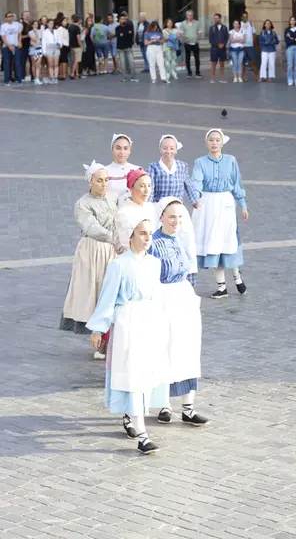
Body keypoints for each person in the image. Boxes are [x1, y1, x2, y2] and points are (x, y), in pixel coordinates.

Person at [87, 210, 169, 454]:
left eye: (150, 234)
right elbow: (108, 299)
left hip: (148, 322)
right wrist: (99, 329)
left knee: (144, 374)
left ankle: (133, 418)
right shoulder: (119, 265)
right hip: (127, 323)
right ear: (131, 236)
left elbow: (157, 296)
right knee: (131, 374)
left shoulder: (155, 264)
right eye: (142, 233)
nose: (147, 238)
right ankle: (142, 433)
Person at [150, 197, 209, 428]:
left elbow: (187, 270)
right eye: (171, 216)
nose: (175, 221)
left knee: (187, 350)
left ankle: (188, 406)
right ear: (161, 216)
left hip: (183, 298)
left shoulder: (180, 239)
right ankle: (164, 403)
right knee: (165, 350)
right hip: (163, 299)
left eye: (179, 217)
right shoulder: (153, 243)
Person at [59, 161, 117, 360]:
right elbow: (92, 227)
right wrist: (113, 237)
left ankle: (111, 338)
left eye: (106, 180)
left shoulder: (114, 198)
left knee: (110, 292)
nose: (103, 184)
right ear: (90, 182)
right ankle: (99, 340)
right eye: (99, 180)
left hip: (113, 249)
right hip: (93, 249)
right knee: (93, 292)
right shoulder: (82, 204)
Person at [192, 129, 248, 299]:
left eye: (217, 140)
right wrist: (196, 196)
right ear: (206, 142)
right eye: (211, 140)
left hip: (225, 203)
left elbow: (236, 184)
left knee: (229, 240)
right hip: (208, 204)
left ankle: (237, 276)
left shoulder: (231, 161)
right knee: (214, 243)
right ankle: (221, 285)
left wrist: (243, 205)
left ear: (222, 142)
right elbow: (196, 181)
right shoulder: (200, 162)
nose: (214, 143)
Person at [147, 135, 199, 286]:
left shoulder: (182, 166)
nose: (168, 151)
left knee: (186, 238)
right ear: (160, 149)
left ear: (176, 150)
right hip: (160, 208)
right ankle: (162, 273)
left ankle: (187, 276)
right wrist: (148, 205)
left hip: (178, 207)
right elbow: (150, 188)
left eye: (171, 148)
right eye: (165, 148)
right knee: (160, 239)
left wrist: (194, 199)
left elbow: (187, 183)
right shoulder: (154, 167)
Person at [114, 168, 156, 254]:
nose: (147, 191)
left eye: (149, 185)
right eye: (142, 186)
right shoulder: (123, 213)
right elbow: (124, 244)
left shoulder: (151, 208)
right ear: (131, 188)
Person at [106, 133, 139, 200]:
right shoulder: (105, 171)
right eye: (118, 148)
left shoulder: (137, 170)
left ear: (129, 151)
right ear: (112, 149)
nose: (122, 152)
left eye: (125, 148)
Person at [0, 11, 23, 87]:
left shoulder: (17, 25)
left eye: (11, 16)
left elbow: (19, 34)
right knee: (7, 64)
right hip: (6, 47)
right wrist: (9, 46)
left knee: (17, 63)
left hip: (16, 46)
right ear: (6, 18)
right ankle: (7, 80)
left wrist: (19, 42)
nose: (10, 18)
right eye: (9, 16)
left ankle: (19, 80)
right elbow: (3, 37)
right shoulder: (3, 26)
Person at [116, 12, 137, 83]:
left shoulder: (129, 26)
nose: (123, 20)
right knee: (123, 64)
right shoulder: (117, 28)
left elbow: (130, 35)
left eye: (124, 19)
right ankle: (124, 77)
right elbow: (119, 35)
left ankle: (133, 77)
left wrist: (124, 34)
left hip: (128, 47)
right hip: (120, 48)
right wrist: (125, 34)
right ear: (119, 20)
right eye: (121, 19)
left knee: (131, 62)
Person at [180, 9, 202, 79]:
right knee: (187, 58)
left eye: (191, 15)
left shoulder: (197, 23)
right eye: (189, 15)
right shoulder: (183, 23)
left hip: (195, 43)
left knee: (197, 59)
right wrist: (184, 40)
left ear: (193, 15)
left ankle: (197, 73)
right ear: (186, 16)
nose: (190, 16)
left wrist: (198, 39)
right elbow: (181, 33)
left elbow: (200, 32)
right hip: (187, 43)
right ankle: (189, 72)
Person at [209, 13, 229, 84]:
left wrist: (223, 44)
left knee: (222, 64)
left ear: (220, 19)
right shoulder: (212, 28)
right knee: (214, 64)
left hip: (223, 49)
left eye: (217, 18)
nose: (216, 19)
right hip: (214, 49)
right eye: (215, 18)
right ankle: (212, 78)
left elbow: (226, 37)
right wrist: (217, 44)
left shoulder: (224, 28)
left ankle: (222, 78)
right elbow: (210, 39)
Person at [240, 11, 260, 82]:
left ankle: (257, 76)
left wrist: (254, 43)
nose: (245, 18)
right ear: (241, 17)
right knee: (243, 63)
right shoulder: (239, 24)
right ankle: (243, 76)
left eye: (246, 17)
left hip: (250, 46)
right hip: (242, 46)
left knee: (253, 62)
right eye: (244, 17)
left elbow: (254, 34)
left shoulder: (251, 24)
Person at [284, 16, 296, 86]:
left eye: (293, 20)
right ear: (289, 21)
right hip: (289, 48)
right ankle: (290, 79)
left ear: (295, 21)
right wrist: (295, 39)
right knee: (290, 65)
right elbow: (287, 40)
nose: (292, 21)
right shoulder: (287, 30)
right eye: (291, 20)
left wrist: (291, 38)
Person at [41, 19, 60, 84]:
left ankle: (56, 77)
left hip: (56, 47)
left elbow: (59, 40)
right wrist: (44, 51)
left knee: (56, 64)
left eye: (52, 23)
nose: (51, 24)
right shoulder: (45, 32)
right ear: (47, 24)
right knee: (50, 64)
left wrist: (59, 45)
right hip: (49, 47)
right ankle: (51, 77)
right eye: (50, 23)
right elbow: (43, 42)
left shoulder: (56, 31)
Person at [28, 20, 43, 85]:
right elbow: (35, 39)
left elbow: (41, 39)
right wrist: (36, 33)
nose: (36, 25)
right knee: (34, 64)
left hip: (39, 48)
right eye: (34, 24)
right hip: (32, 49)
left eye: (36, 24)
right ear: (32, 25)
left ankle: (37, 78)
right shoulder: (30, 32)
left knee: (38, 64)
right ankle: (35, 78)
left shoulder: (40, 31)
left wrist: (37, 32)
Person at [68, 14, 82, 80]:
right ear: (78, 20)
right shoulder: (77, 28)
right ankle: (72, 73)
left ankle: (77, 73)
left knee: (74, 60)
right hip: (77, 46)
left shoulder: (70, 27)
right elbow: (78, 37)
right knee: (77, 60)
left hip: (71, 45)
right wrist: (80, 45)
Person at [20, 11, 32, 82]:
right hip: (23, 45)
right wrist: (26, 36)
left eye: (28, 15)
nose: (27, 16)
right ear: (23, 16)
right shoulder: (21, 25)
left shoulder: (31, 24)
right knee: (23, 61)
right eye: (25, 15)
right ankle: (22, 76)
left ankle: (31, 76)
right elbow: (19, 36)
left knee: (31, 61)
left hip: (31, 45)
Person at [57, 17, 70, 81]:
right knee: (63, 60)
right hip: (62, 46)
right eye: (64, 20)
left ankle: (63, 74)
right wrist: (60, 46)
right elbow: (59, 38)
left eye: (66, 21)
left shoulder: (65, 29)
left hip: (66, 46)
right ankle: (62, 74)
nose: (66, 22)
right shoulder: (60, 29)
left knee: (64, 60)